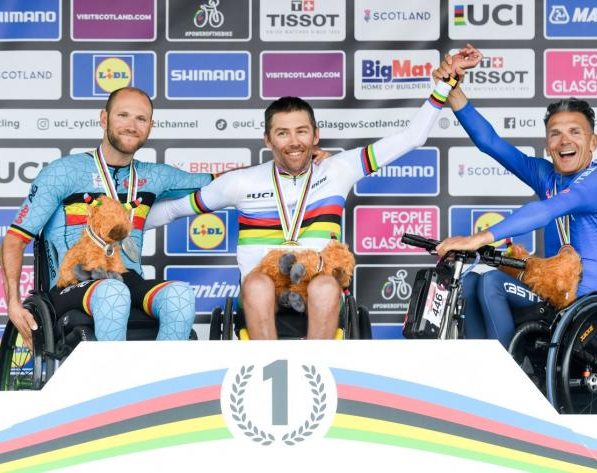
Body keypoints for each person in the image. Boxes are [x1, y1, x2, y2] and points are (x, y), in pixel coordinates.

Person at [145, 47, 483, 340]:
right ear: (268, 140)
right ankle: (266, 369)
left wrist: (443, 85)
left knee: (324, 285)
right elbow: (174, 210)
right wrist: (120, 227)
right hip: (262, 288)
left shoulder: (339, 169)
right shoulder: (241, 182)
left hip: (319, 283)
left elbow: (410, 138)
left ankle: (316, 369)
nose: (293, 142)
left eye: (301, 131)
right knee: (257, 284)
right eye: (282, 133)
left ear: (315, 135)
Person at [433, 51, 597, 348]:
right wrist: (453, 88)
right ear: (547, 145)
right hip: (551, 298)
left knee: (493, 283)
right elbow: (491, 143)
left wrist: (476, 238)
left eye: (575, 132)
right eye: (555, 134)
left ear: (593, 143)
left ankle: (509, 380)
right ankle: (481, 379)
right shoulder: (546, 175)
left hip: (588, 311)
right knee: (471, 282)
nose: (564, 141)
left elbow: (548, 209)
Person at [0, 87, 215, 348]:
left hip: (126, 278)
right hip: (72, 283)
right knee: (113, 292)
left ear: (150, 127)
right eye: (123, 115)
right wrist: (13, 303)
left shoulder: (157, 176)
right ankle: (113, 386)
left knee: (180, 295)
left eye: (141, 119)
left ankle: (160, 382)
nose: (132, 126)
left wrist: (270, 170)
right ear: (104, 119)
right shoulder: (63, 172)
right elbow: (14, 240)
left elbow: (225, 183)